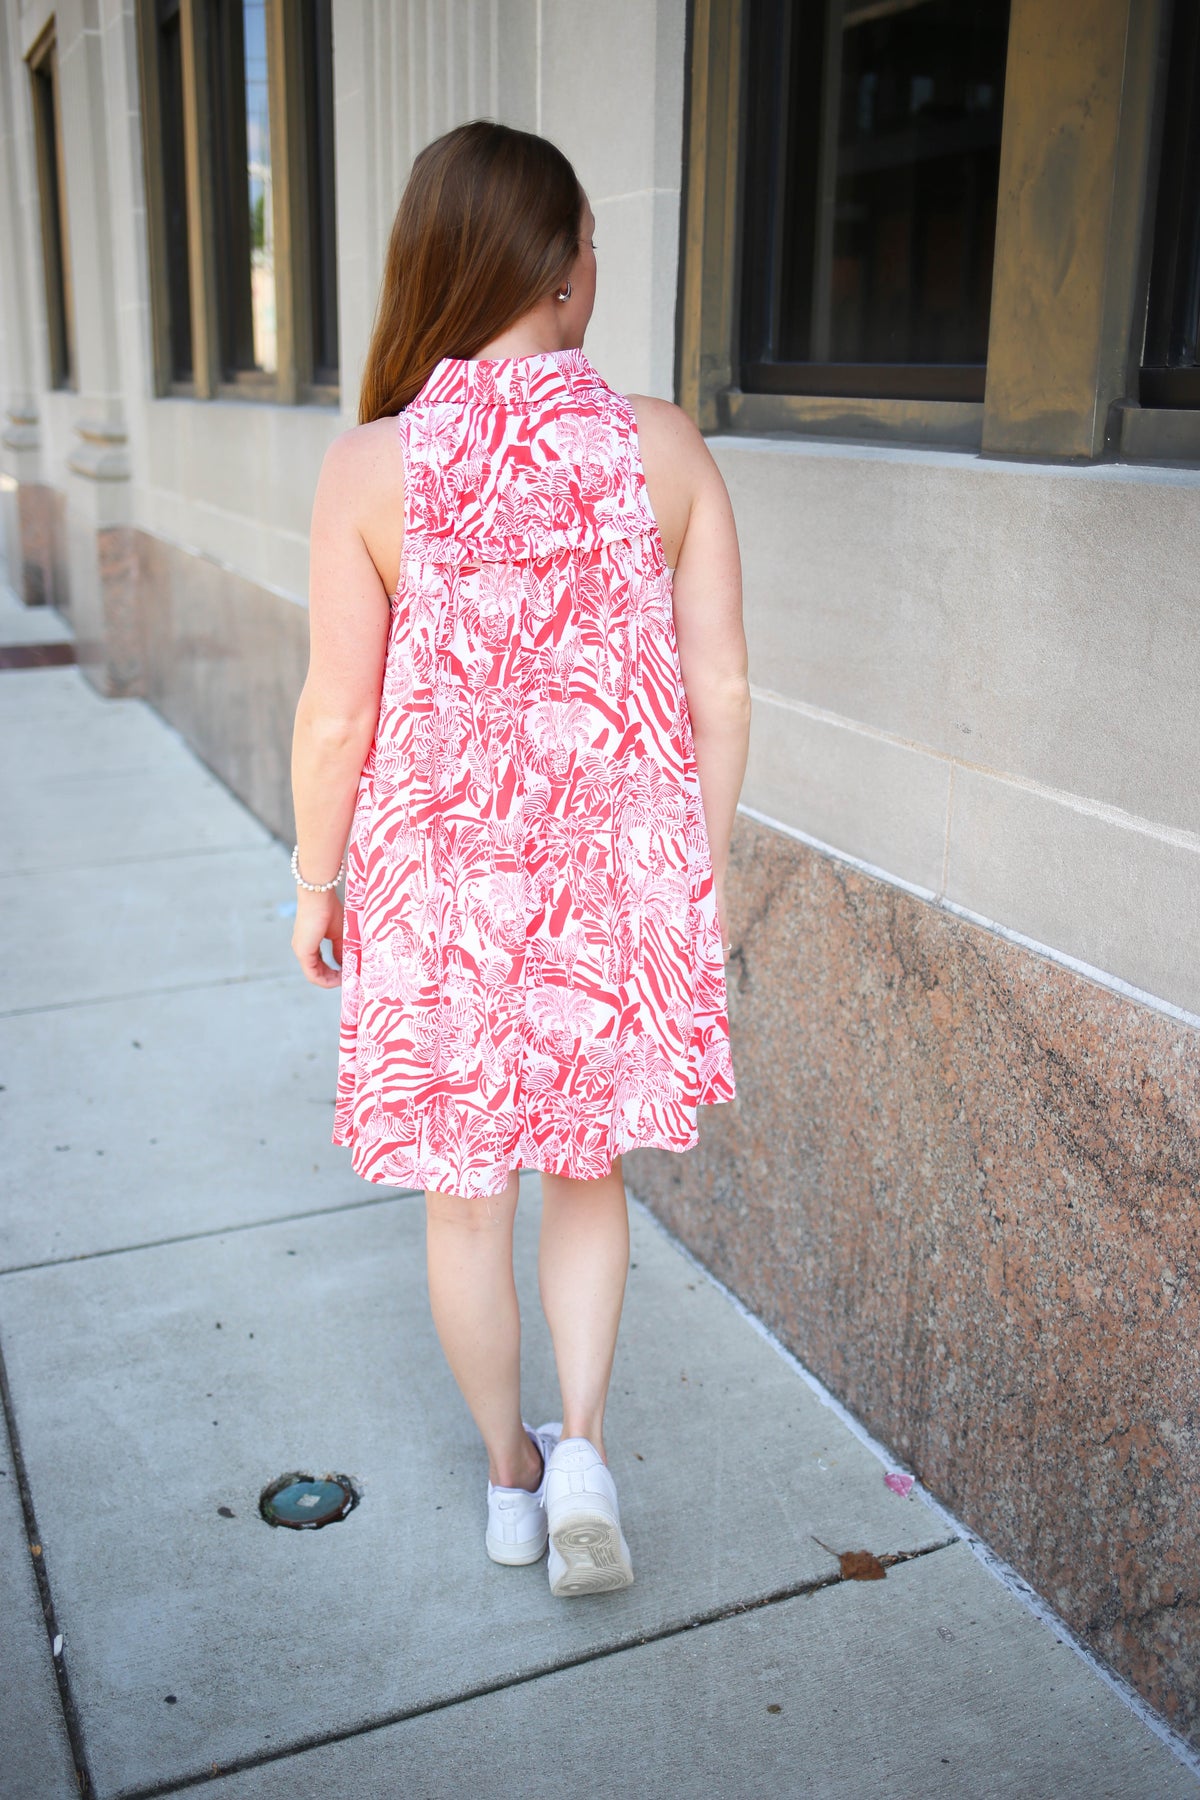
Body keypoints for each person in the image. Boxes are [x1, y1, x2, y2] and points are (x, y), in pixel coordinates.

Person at [290, 120, 750, 1597]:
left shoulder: (371, 467)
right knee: (588, 1175)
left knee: (463, 1201)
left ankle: (509, 1484)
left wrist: (314, 880)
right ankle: (591, 1454)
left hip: (438, 899)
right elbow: (724, 692)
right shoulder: (663, 444)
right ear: (560, 272)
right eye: (592, 242)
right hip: (608, 893)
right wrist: (699, 868)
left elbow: (336, 710)